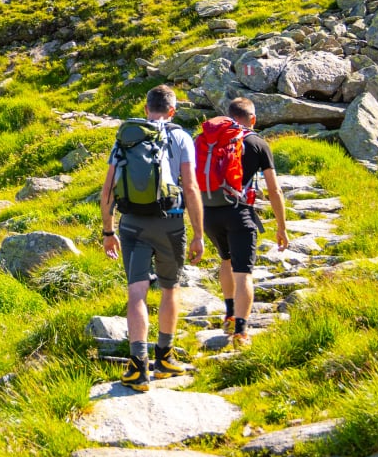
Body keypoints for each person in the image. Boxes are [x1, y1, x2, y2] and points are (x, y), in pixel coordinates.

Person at [99, 84, 203, 392]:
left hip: (132, 224)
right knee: (170, 289)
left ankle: (138, 367)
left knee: (137, 293)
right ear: (172, 111)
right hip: (171, 223)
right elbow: (192, 187)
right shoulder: (182, 137)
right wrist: (198, 233)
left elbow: (107, 190)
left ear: (146, 109)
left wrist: (108, 231)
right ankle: (166, 358)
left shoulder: (126, 138)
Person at [202, 96, 288, 350]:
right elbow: (274, 190)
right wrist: (281, 226)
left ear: (229, 116)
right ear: (253, 119)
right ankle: (241, 330)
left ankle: (229, 314)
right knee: (243, 273)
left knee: (225, 260)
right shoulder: (257, 143)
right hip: (240, 214)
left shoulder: (209, 140)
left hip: (209, 212)